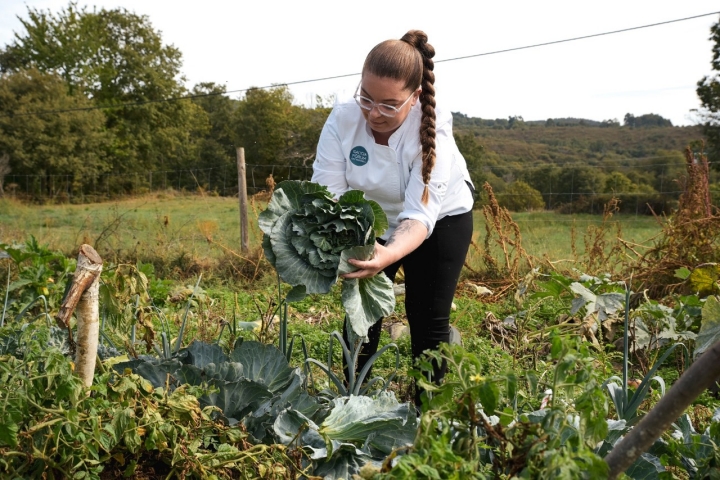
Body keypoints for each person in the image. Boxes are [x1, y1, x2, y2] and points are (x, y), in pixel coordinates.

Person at [311, 30, 474, 405]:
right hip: (369, 219)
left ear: (414, 98)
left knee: (428, 320)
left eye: (389, 104)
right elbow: (329, 193)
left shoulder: (432, 134)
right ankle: (352, 401)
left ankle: (427, 414)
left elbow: (419, 216)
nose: (373, 112)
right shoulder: (342, 120)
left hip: (439, 220)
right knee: (360, 318)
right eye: (366, 97)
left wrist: (388, 254)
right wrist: (347, 243)